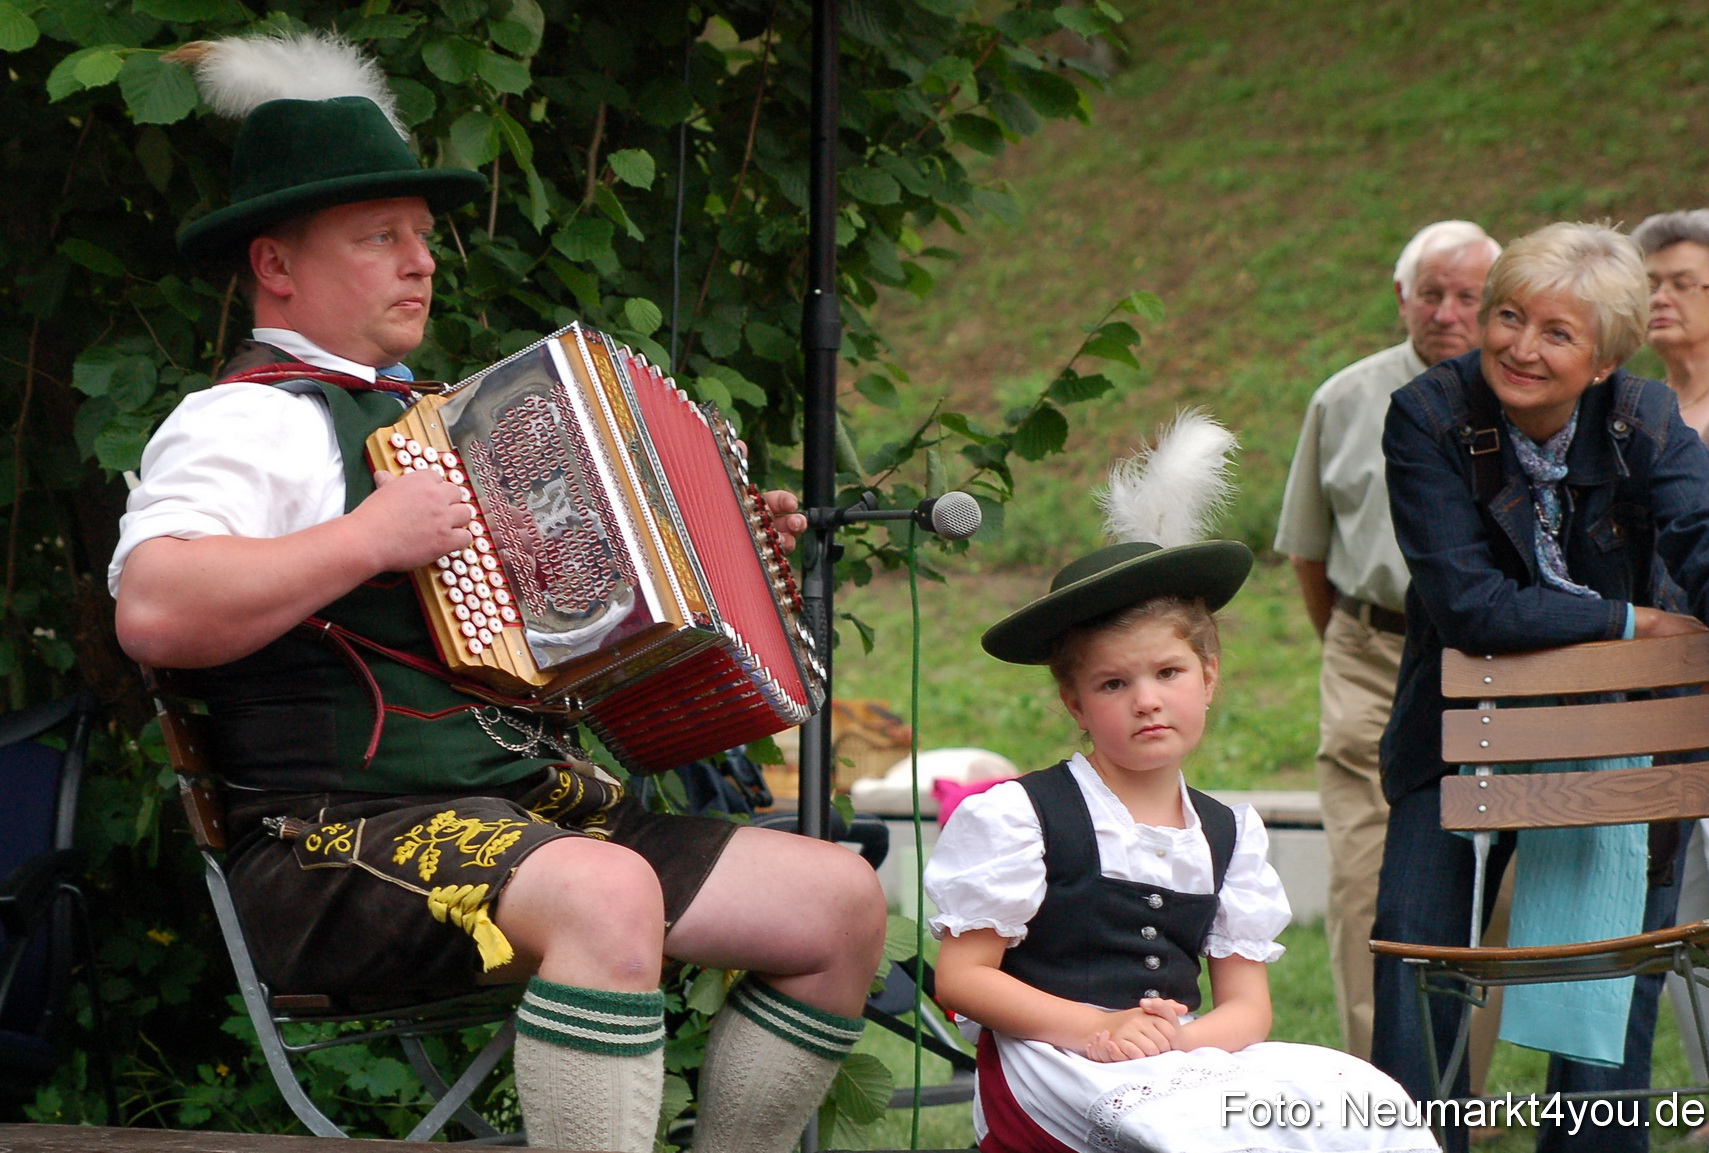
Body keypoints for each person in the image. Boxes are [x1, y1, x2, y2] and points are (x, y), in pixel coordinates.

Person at [107, 33, 885, 1153]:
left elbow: (575, 630)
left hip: (533, 820)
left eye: (422, 238)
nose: (420, 261)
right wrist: (368, 536)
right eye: (380, 237)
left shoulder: (442, 418)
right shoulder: (247, 420)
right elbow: (155, 607)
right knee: (606, 893)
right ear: (277, 266)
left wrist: (727, 549)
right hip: (336, 844)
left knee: (838, 904)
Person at [924, 414, 1437, 1153]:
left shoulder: (1227, 833)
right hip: (1055, 1061)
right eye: (1112, 682)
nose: (1146, 699)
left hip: (1179, 1058)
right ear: (1075, 702)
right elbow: (963, 979)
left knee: (1362, 1101)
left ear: (1209, 676)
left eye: (1168, 672)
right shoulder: (1024, 818)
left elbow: (1247, 1009)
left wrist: (1179, 1039)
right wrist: (1101, 1027)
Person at [1375, 221, 1709, 1153]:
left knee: (1608, 987)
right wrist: (1629, 622)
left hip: (1621, 735)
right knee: (1419, 968)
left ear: (1608, 355)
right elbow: (1472, 607)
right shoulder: (1429, 414)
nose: (1520, 348)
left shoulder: (1648, 420)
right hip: (1453, 731)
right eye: (1508, 316)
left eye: (1557, 332)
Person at [1276, 220, 1499, 1060]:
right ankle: (1377, 1096)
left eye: (1468, 295)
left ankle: (1459, 1094)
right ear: (1400, 297)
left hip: (1496, 668)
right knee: (1367, 876)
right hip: (1372, 652)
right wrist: (1351, 637)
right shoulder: (1345, 397)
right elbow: (1308, 548)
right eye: (1429, 293)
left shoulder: (1526, 393)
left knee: (1491, 883)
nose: (1446, 311)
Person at [1632, 208, 1709, 1107]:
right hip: (1651, 701)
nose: (1659, 297)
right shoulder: (1631, 413)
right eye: (1648, 282)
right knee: (1685, 905)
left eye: (1680, 281)